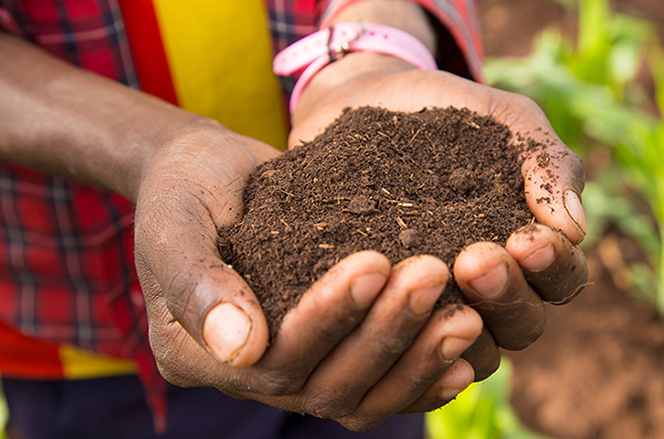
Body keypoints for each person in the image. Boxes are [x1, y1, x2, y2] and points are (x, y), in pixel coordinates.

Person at [0, 0, 588, 437]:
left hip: (381, 344)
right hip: (84, 336)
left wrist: (377, 46)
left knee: (387, 359)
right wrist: (150, 147)